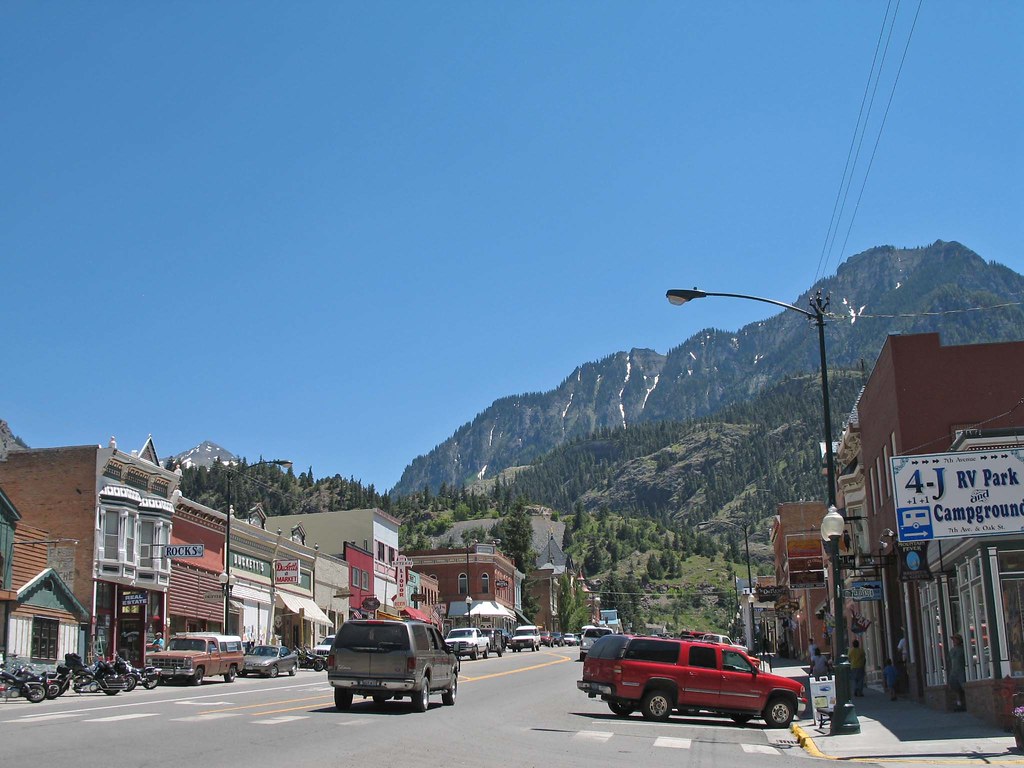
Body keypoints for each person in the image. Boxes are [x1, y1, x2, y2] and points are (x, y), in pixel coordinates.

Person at [948, 633, 966, 711]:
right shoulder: (952, 650)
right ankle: (959, 704)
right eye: (953, 640)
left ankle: (965, 704)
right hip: (954, 672)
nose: (954, 641)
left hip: (961, 671)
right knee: (956, 689)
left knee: (963, 687)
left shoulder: (963, 650)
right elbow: (949, 661)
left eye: (955, 639)